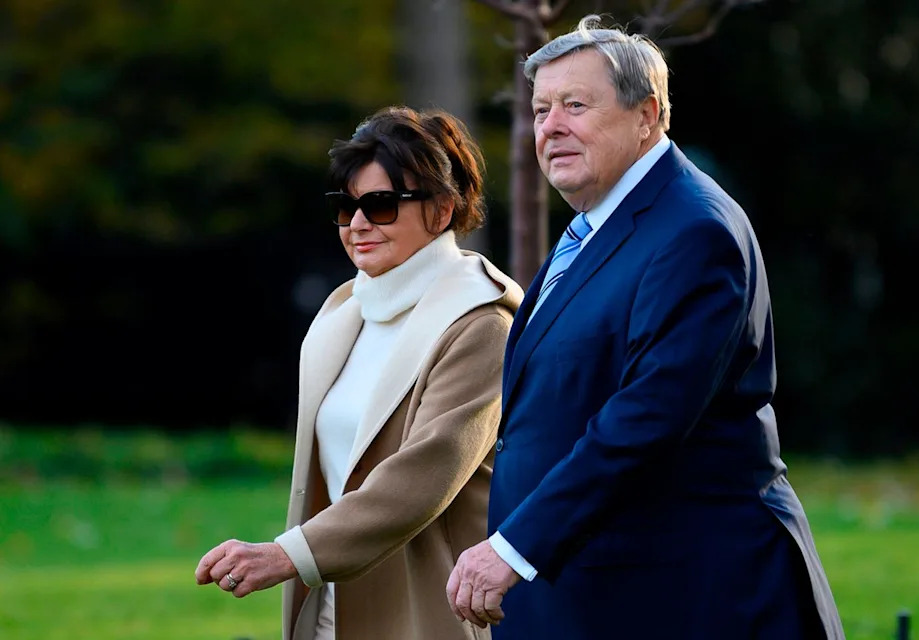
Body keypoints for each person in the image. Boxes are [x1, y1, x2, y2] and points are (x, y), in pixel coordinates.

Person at [446, 15, 844, 640]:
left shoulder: (695, 231)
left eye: (576, 105)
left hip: (687, 595)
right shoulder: (599, 222)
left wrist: (515, 546)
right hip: (593, 588)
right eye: (542, 109)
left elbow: (647, 417)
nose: (550, 126)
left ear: (647, 115)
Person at [195, 105, 523, 640]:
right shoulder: (345, 309)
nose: (358, 224)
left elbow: (422, 477)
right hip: (330, 608)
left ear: (442, 210)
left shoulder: (481, 324)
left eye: (382, 205)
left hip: (427, 614)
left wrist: (287, 555)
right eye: (345, 207)